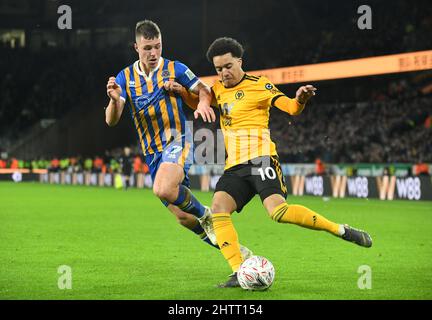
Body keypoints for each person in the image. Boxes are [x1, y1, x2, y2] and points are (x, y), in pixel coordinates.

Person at [169, 37, 373, 288]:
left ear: (240, 62)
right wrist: (182, 92)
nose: (223, 73)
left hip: (261, 158)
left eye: (228, 66)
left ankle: (341, 230)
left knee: (278, 212)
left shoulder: (260, 85)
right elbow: (199, 102)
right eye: (218, 68)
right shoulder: (218, 88)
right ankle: (238, 271)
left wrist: (300, 99)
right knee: (219, 208)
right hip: (234, 166)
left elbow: (290, 108)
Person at [105, 21, 252, 256]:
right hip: (152, 154)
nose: (153, 53)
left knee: (163, 188)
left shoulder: (176, 69)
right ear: (136, 47)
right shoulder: (125, 77)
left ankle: (206, 215)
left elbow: (204, 89)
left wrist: (203, 104)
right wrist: (114, 99)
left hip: (177, 140)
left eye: (158, 47)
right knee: (183, 217)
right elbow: (111, 120)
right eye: (147, 48)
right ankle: (238, 254)